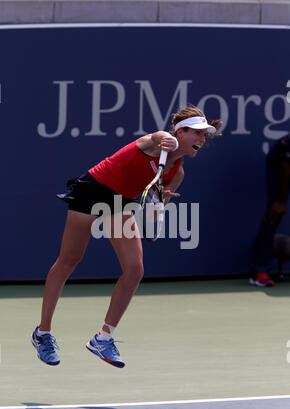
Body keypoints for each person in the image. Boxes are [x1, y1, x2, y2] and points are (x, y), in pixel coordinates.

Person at [31, 105, 222, 367]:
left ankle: (103, 337)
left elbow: (155, 208)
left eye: (205, 136)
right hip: (93, 190)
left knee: (134, 269)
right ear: (181, 131)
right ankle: (42, 333)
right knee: (69, 259)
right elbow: (154, 138)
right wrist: (163, 139)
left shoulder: (177, 173)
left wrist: (159, 203)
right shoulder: (158, 142)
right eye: (198, 133)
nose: (202, 140)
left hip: (120, 202)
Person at [249, 133, 290, 287]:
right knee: (274, 214)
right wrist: (280, 201)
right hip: (281, 165)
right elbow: (287, 167)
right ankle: (259, 271)